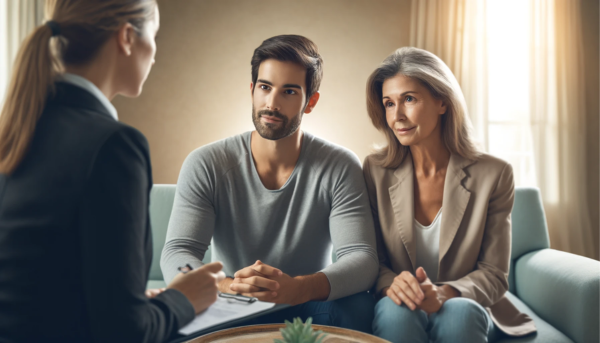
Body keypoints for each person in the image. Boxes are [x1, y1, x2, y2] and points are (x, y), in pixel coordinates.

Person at [0, 1, 224, 342]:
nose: (154, 53)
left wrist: (142, 306)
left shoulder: (17, 129)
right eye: (155, 35)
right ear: (127, 37)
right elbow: (125, 333)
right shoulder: (114, 145)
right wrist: (184, 299)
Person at [160, 35, 378, 333]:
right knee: (169, 317)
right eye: (265, 87)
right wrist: (230, 285)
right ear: (252, 91)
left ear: (310, 101)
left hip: (305, 306)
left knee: (360, 307)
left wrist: (299, 288)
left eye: (289, 91)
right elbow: (178, 252)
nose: (272, 103)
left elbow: (362, 259)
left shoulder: (339, 165)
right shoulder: (206, 163)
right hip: (229, 301)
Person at [363, 47, 537, 343]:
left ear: (442, 101)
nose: (397, 116)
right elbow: (370, 257)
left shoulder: (494, 173)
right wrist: (394, 285)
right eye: (389, 104)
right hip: (399, 300)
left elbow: (494, 273)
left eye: (409, 99)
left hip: (465, 301)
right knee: (397, 314)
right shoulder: (374, 170)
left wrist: (444, 293)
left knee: (459, 315)